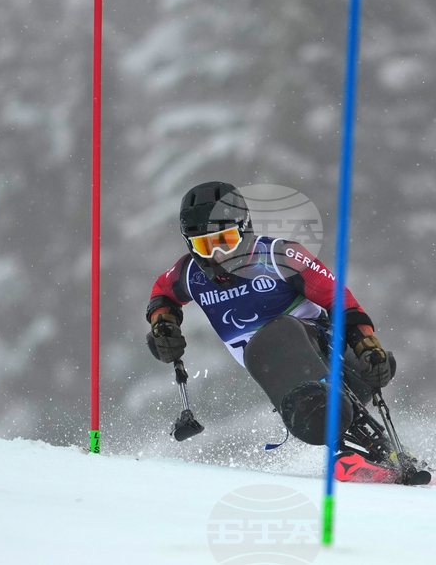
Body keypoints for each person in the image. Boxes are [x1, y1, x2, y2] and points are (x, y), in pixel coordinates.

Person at [144, 181, 395, 448]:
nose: (218, 256)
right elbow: (163, 292)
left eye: (225, 242)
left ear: (244, 229)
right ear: (191, 247)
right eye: (205, 247)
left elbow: (338, 298)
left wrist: (366, 343)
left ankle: (339, 417)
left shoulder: (280, 257)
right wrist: (163, 324)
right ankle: (366, 451)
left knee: (278, 333)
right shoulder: (190, 274)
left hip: (332, 354)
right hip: (284, 378)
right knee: (267, 348)